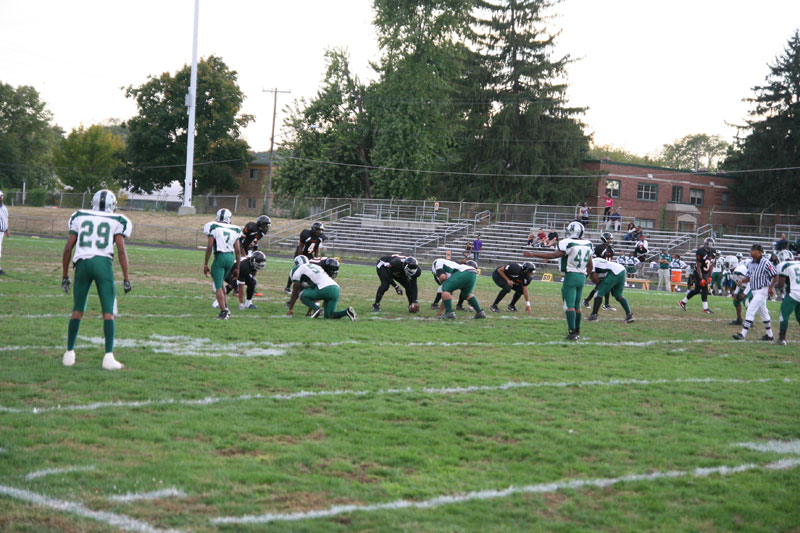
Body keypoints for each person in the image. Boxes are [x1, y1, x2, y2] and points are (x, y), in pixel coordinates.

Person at [60, 190, 131, 370]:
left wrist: (65, 275)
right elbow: (121, 251)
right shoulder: (118, 220)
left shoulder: (79, 215)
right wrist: (126, 278)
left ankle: (69, 353)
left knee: (77, 309)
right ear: (112, 204)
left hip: (82, 264)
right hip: (103, 264)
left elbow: (68, 247)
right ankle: (108, 357)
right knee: (108, 311)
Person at [524, 221, 593, 341]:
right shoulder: (588, 244)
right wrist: (585, 275)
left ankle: (572, 333)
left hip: (571, 275)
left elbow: (553, 255)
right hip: (582, 276)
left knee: (569, 305)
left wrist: (533, 253)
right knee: (577, 306)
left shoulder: (568, 242)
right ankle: (577, 331)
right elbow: (590, 265)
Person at [287, 258, 357, 320]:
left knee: (301, 294)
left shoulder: (296, 270)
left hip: (324, 288)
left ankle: (317, 309)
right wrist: (309, 311)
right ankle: (347, 311)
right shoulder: (316, 267)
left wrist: (290, 309)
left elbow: (295, 291)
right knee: (329, 316)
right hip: (335, 289)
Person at [203, 208, 242, 320]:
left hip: (220, 257)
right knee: (221, 284)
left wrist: (205, 264)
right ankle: (226, 308)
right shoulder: (235, 229)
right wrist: (237, 268)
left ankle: (223, 311)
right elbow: (238, 251)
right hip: (230, 257)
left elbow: (210, 247)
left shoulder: (214, 226)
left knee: (217, 286)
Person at [733, 244, 777, 341]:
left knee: (750, 309)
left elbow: (775, 274)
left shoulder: (765, 262)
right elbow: (749, 277)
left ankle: (742, 334)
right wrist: (742, 281)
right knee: (763, 313)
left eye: (753, 250)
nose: (751, 252)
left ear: (759, 252)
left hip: (763, 289)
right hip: (754, 290)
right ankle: (770, 335)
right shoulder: (751, 263)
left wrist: (771, 287)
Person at [585, 257, 635, 323]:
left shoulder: (591, 264)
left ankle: (594, 315)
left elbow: (596, 279)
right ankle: (629, 315)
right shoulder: (597, 260)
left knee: (598, 294)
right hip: (621, 270)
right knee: (618, 295)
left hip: (614, 272)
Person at [285, 222, 326, 293]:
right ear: (313, 229)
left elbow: (316, 248)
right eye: (317, 229)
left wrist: (316, 258)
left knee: (310, 271)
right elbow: (301, 247)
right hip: (301, 252)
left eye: (320, 230)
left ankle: (304, 288)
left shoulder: (321, 237)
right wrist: (299, 257)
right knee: (296, 270)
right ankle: (288, 287)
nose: (319, 231)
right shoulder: (306, 234)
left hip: (309, 254)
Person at [678, 237, 716, 314]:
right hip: (699, 272)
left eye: (712, 244)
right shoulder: (700, 251)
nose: (711, 246)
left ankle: (683, 302)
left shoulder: (713, 252)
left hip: (705, 273)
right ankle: (705, 308)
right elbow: (698, 266)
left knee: (696, 291)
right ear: (706, 244)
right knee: (705, 289)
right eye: (709, 244)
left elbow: (712, 265)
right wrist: (701, 278)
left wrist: (710, 276)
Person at [772, 250, 800, 345]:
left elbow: (781, 284)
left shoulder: (783, 265)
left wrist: (772, 286)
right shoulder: (798, 262)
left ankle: (782, 338)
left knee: (784, 315)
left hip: (793, 293)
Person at [583, 232, 615, 309]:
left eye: (611, 239)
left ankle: (589, 301)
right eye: (609, 239)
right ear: (605, 239)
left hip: (606, 268)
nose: (610, 240)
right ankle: (588, 301)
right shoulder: (599, 248)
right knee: (601, 286)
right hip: (599, 269)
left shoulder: (611, 248)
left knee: (605, 286)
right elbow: (593, 259)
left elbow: (610, 259)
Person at [728, 257, 752, 326]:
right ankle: (739, 320)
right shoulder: (733, 272)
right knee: (736, 301)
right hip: (742, 288)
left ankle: (750, 321)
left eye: (727, 264)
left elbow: (750, 281)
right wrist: (735, 293)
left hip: (750, 287)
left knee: (746, 302)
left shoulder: (739, 271)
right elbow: (739, 283)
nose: (726, 265)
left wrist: (744, 293)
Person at [0, 190, 8, 275]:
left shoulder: (4, 208)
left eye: (2, 196)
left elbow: (5, 219)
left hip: (2, 232)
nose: (1, 198)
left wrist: (6, 230)